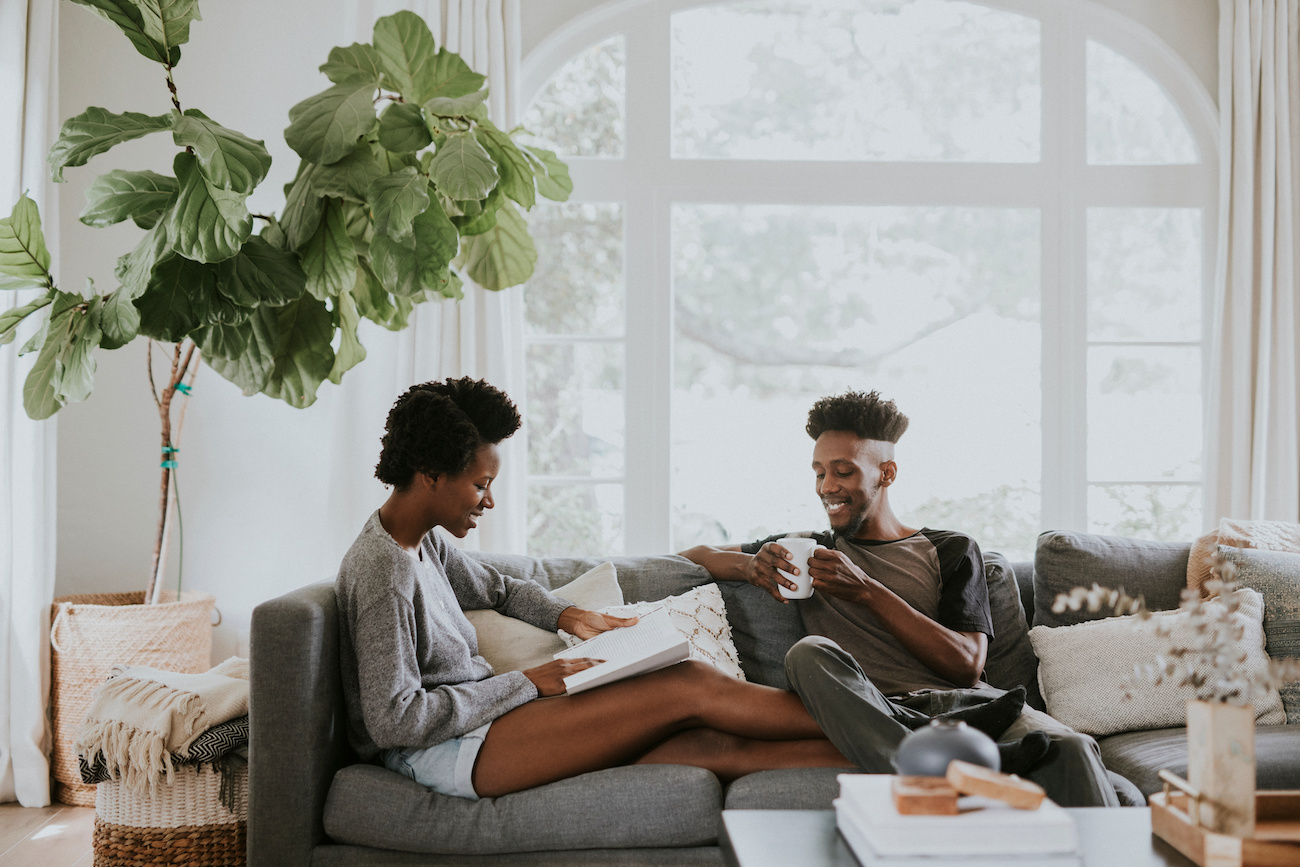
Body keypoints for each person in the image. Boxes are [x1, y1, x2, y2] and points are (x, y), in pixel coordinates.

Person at [335, 377, 851, 801]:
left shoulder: (423, 545)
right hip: (445, 752)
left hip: (481, 729)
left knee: (705, 746)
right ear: (429, 475)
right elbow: (395, 722)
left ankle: (893, 756)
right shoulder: (385, 573)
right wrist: (530, 682)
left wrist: (570, 617)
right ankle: (888, 722)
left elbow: (499, 590)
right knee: (687, 682)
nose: (488, 501)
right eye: (479, 484)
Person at [679, 389, 1120, 808]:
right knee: (808, 654)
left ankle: (935, 755)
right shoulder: (808, 548)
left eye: (843, 470)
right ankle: (947, 760)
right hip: (867, 710)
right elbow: (692, 556)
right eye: (819, 472)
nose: (826, 486)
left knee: (1074, 748)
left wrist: (868, 591)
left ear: (886, 474)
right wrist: (749, 566)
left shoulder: (950, 549)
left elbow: (966, 665)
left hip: (970, 709)